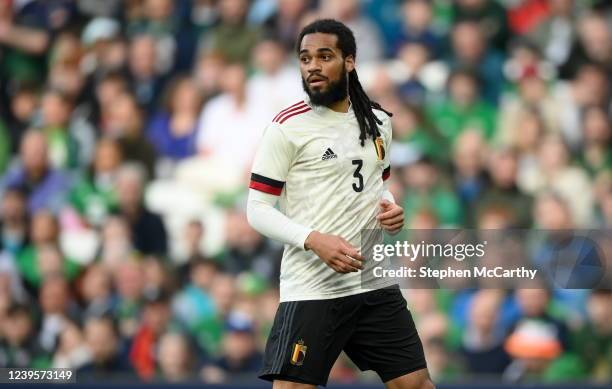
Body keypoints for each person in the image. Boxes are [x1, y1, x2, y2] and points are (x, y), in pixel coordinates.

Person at [246, 19, 433, 389]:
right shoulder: (286, 128)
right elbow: (257, 209)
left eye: (324, 56)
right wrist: (313, 238)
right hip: (313, 290)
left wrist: (390, 207)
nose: (312, 66)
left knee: (416, 385)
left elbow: (378, 186)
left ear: (350, 61)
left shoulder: (378, 121)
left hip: (373, 283)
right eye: (304, 58)